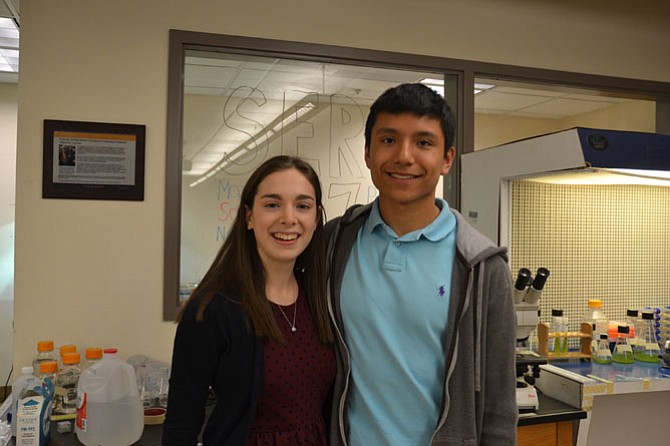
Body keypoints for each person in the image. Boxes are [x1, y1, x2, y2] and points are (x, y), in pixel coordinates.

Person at [326, 83, 517, 445]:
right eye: (388, 140)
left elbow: (498, 407)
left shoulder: (481, 267)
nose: (404, 156)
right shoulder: (335, 243)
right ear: (367, 153)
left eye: (424, 142)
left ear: (447, 159)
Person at [163, 155, 335, 445]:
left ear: (316, 219)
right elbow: (182, 423)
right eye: (272, 204)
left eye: (302, 206)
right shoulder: (212, 309)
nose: (289, 218)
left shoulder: (321, 297)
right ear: (249, 217)